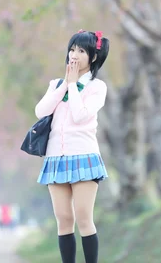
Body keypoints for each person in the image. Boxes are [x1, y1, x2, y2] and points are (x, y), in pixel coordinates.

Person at [35, 30, 110, 263]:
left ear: (93, 57)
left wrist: (74, 86)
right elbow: (41, 112)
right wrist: (64, 85)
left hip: (84, 156)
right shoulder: (56, 84)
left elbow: (80, 115)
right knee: (64, 219)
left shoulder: (97, 88)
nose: (74, 55)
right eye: (72, 49)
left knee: (84, 218)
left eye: (81, 51)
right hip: (55, 158)